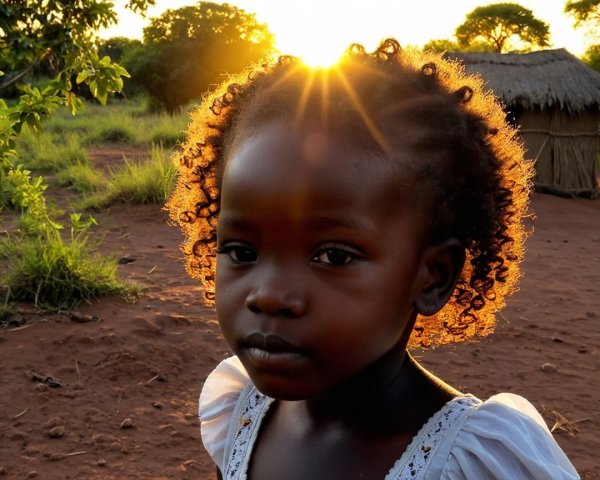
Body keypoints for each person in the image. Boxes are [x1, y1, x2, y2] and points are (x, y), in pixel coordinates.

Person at [167, 39, 579, 479]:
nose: (267, 296)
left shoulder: (473, 465)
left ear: (432, 277)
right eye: (242, 252)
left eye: (333, 256)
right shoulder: (242, 413)